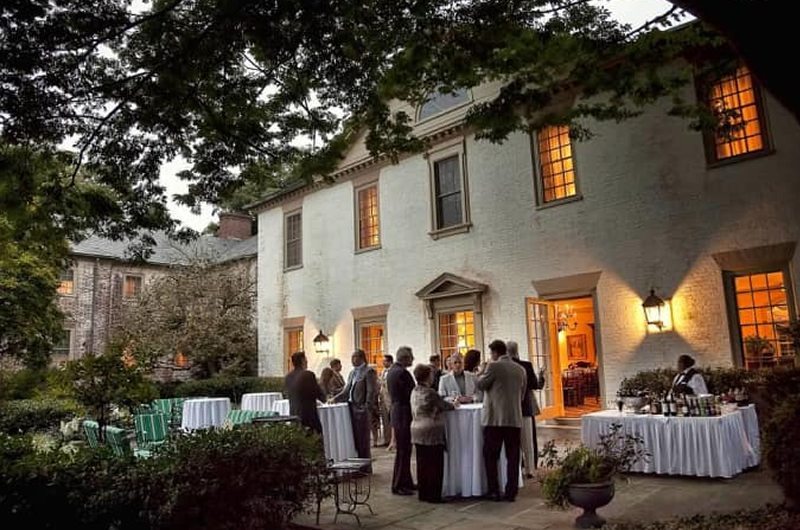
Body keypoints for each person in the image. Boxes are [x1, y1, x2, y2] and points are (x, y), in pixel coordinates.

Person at [476, 339, 526, 502]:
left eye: (491, 353)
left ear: (495, 353)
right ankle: (511, 492)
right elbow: (522, 394)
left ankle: (494, 490)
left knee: (491, 455)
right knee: (513, 457)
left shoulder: (494, 366)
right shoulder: (520, 369)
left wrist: (480, 372)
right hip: (514, 418)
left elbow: (481, 385)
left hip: (495, 420)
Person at [411, 363, 456, 503]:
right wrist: (454, 404)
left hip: (417, 429)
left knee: (422, 463)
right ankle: (434, 495)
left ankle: (423, 493)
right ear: (427, 376)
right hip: (431, 431)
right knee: (435, 465)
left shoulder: (414, 391)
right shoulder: (430, 392)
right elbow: (445, 406)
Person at [333, 350, 378, 461]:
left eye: (354, 357)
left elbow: (371, 391)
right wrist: (335, 398)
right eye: (352, 357)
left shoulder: (369, 371)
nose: (352, 360)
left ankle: (365, 467)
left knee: (363, 439)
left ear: (361, 358)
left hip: (361, 408)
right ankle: (357, 463)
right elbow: (346, 390)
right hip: (351, 407)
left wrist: (366, 408)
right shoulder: (352, 373)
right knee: (355, 438)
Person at [508, 340, 541, 476]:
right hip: (525, 406)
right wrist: (541, 377)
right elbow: (534, 384)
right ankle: (530, 469)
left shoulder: (504, 367)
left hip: (509, 408)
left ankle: (517, 469)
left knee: (512, 441)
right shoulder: (526, 365)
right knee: (527, 440)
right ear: (517, 351)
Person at [386, 346, 416, 495]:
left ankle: (406, 481)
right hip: (404, 411)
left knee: (404, 450)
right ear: (405, 358)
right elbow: (410, 393)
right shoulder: (402, 373)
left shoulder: (391, 371)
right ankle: (398, 484)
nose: (413, 359)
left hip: (397, 410)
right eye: (411, 357)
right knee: (403, 450)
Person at [285, 351, 325, 434]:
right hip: (308, 416)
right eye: (306, 359)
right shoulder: (308, 375)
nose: (307, 362)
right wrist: (325, 398)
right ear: (303, 361)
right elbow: (317, 393)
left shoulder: (288, 377)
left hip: (294, 414)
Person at [379, 354, 394, 448]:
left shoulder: (392, 371)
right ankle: (387, 439)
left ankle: (394, 439)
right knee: (385, 420)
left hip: (391, 398)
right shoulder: (383, 371)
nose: (383, 363)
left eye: (385, 361)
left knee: (392, 420)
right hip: (383, 398)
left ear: (389, 361)